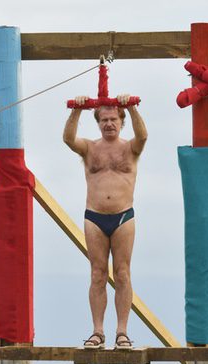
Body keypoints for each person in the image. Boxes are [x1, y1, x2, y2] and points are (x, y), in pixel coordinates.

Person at [63, 94, 148, 350]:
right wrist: (76, 109)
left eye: (113, 119)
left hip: (123, 215)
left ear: (121, 122)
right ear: (98, 122)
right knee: (97, 274)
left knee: (122, 273)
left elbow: (143, 136)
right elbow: (68, 139)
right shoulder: (90, 148)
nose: (109, 124)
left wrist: (132, 108)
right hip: (95, 217)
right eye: (104, 120)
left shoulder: (130, 147)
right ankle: (97, 331)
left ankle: (122, 332)